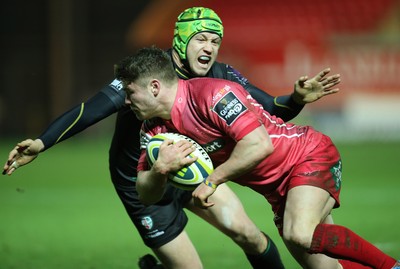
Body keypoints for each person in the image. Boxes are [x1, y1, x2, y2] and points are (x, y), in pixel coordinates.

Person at [3, 7, 341, 269]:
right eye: (201, 38)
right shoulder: (148, 73)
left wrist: (296, 98)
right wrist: (43, 142)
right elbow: (91, 109)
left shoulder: (220, 74)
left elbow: (271, 109)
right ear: (180, 39)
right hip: (144, 182)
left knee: (249, 236)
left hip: (195, 173)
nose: (209, 47)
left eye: (215, 40)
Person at [115, 46, 400, 269]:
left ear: (154, 87)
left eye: (130, 93)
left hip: (306, 156)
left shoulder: (213, 94)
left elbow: (258, 144)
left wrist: (212, 181)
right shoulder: (154, 131)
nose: (126, 102)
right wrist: (159, 170)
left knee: (299, 233)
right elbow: (146, 195)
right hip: (277, 192)